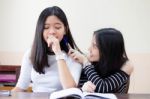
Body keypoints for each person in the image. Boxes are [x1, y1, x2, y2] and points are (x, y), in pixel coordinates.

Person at [12, 6, 82, 93]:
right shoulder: (31, 53)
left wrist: (58, 53)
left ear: (65, 30)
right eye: (46, 27)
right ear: (40, 30)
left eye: (57, 27)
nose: (52, 31)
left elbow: (70, 89)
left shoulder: (73, 56)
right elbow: (21, 87)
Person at [69, 28, 133, 93]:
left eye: (94, 46)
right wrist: (82, 89)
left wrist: (85, 62)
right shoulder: (90, 62)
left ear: (107, 50)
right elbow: (78, 92)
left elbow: (102, 88)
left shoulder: (126, 66)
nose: (89, 49)